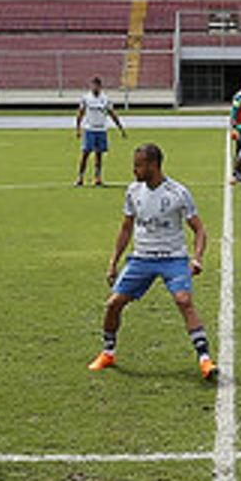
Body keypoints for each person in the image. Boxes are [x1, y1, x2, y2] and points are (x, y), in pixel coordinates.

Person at [87, 143, 217, 381]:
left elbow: (199, 230)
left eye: (138, 165)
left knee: (184, 300)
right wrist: (113, 261)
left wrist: (197, 259)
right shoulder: (133, 191)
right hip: (141, 259)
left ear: (153, 165)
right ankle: (108, 353)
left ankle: (205, 359)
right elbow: (126, 227)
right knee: (113, 304)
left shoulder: (177, 192)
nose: (134, 170)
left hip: (173, 258)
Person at [75, 76, 125, 187]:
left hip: (101, 130)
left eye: (97, 85)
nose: (95, 87)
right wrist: (78, 128)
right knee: (85, 154)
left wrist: (120, 127)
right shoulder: (86, 98)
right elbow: (80, 113)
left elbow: (112, 114)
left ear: (100, 86)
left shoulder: (105, 99)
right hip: (89, 129)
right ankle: (80, 177)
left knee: (99, 155)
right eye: (93, 85)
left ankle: (97, 178)